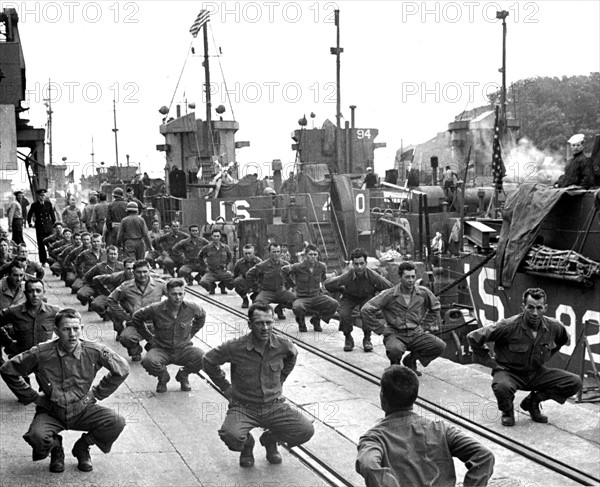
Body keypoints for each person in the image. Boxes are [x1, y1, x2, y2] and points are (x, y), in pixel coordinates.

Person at [0, 308, 129, 473]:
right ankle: (56, 448)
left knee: (116, 421)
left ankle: (82, 447)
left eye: (76, 329)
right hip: (52, 410)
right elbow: (7, 369)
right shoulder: (41, 352)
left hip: (82, 409)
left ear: (81, 329)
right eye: (66, 329)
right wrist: (32, 396)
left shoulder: (94, 350)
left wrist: (96, 393)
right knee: (36, 437)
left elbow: (122, 368)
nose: (73, 334)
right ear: (56, 331)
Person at [203, 302, 314, 468]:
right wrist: (225, 387)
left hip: (274, 406)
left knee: (305, 430)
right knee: (231, 436)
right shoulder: (235, 347)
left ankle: (271, 439)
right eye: (259, 323)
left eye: (269, 322)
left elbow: (292, 356)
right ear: (250, 324)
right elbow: (208, 360)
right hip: (244, 407)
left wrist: (281, 378)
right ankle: (247, 445)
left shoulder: (282, 345)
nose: (265, 328)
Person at [356, 365, 495, 486]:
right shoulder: (441, 429)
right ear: (414, 397)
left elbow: (368, 465)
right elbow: (484, 455)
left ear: (382, 397)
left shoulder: (374, 438)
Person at [467, 287, 582, 426]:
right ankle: (507, 410)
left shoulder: (554, 326)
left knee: (574, 382)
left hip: (535, 372)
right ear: (523, 307)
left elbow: (563, 339)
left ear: (545, 308)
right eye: (530, 307)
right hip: (509, 372)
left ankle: (532, 402)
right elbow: (473, 337)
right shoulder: (508, 326)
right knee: (502, 387)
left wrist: (548, 355)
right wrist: (489, 362)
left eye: (539, 308)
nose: (535, 313)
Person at [361, 261, 445, 376]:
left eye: (413, 277)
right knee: (395, 350)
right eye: (407, 277)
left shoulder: (423, 293)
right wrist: (381, 329)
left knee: (439, 346)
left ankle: (411, 360)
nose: (411, 280)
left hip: (415, 333)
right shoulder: (389, 295)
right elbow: (366, 310)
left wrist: (424, 326)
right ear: (400, 277)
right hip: (395, 334)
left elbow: (435, 307)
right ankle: (395, 366)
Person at [132, 279, 206, 393]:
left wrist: (191, 333)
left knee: (204, 358)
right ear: (167, 294)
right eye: (174, 294)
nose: (178, 297)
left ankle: (183, 375)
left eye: (180, 294)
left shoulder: (192, 308)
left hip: (183, 349)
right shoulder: (156, 308)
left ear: (184, 294)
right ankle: (163, 377)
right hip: (162, 349)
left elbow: (202, 316)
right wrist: (148, 337)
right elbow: (137, 317)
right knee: (148, 361)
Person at [325, 248, 392, 352]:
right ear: (352, 264)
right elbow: (329, 284)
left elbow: (389, 287)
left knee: (367, 311)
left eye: (362, 263)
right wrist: (341, 289)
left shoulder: (373, 276)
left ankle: (367, 339)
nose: (359, 267)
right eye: (356, 264)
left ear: (366, 263)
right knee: (344, 314)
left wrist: (378, 295)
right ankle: (348, 338)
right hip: (349, 297)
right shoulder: (347, 276)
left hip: (366, 297)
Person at [107, 260, 167, 360]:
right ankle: (135, 350)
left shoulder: (160, 284)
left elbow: (174, 297)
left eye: (145, 271)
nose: (142, 275)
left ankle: (153, 346)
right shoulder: (126, 287)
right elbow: (111, 299)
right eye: (138, 272)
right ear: (133, 273)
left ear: (149, 271)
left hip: (156, 323)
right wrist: (124, 315)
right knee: (125, 338)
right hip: (136, 324)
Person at [282, 243, 338, 332]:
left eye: (315, 254)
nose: (313, 257)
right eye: (310, 254)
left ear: (318, 255)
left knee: (333, 304)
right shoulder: (298, 267)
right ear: (305, 256)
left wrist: (322, 286)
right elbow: (284, 270)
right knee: (297, 307)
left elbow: (323, 277)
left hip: (316, 296)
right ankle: (301, 323)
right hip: (302, 298)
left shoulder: (321, 266)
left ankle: (316, 319)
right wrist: (293, 285)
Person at [247, 242, 296, 321]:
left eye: (278, 252)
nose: (276, 254)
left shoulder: (285, 264)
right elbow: (249, 274)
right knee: (257, 305)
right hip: (267, 292)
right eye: (273, 252)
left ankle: (279, 308)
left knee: (296, 300)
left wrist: (291, 287)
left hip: (281, 291)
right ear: (269, 253)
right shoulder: (262, 265)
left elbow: (290, 277)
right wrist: (256, 288)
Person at [198, 228, 234, 294]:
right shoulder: (207, 247)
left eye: (218, 236)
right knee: (203, 282)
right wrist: (204, 265)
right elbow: (200, 256)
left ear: (220, 237)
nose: (216, 238)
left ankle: (222, 285)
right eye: (214, 236)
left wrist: (226, 264)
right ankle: (212, 286)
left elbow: (230, 256)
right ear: (212, 236)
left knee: (234, 281)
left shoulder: (225, 247)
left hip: (222, 271)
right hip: (211, 272)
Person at [27, 189, 56, 265]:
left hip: (49, 227)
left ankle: (52, 261)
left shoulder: (48, 204)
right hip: (40, 228)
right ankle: (43, 261)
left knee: (51, 245)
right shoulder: (34, 205)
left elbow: (52, 215)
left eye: (43, 195)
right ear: (38, 196)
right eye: (40, 195)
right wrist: (30, 223)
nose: (42, 197)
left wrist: (54, 224)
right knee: (41, 245)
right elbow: (29, 215)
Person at [233, 244, 262, 308]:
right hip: (246, 282)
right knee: (237, 281)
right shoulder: (239, 263)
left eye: (249, 253)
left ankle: (255, 296)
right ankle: (245, 299)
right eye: (245, 253)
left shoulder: (259, 262)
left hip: (256, 283)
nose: (247, 255)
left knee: (257, 304)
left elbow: (264, 276)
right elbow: (234, 275)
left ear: (253, 253)